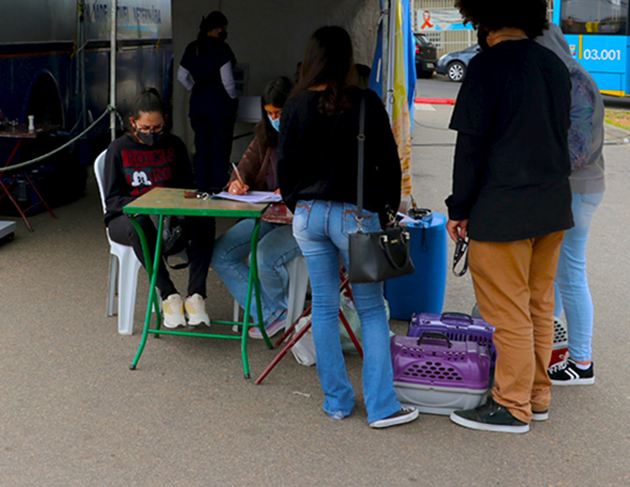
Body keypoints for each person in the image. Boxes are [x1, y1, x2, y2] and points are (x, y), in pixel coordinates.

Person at [445, 0, 573, 434]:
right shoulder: (553, 65)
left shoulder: (486, 67)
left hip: (503, 209)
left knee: (507, 312)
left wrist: (458, 208)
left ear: (483, 17)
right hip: (553, 206)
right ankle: (537, 395)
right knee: (538, 305)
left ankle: (512, 405)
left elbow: (471, 146)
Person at [277, 26, 418, 429]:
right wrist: (386, 212)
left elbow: (285, 167)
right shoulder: (365, 102)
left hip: (307, 216)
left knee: (324, 306)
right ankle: (381, 407)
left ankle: (336, 402)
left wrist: (299, 204)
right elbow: (389, 164)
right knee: (371, 310)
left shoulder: (294, 105)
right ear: (346, 59)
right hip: (354, 217)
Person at [101, 88, 216, 329]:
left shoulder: (174, 145)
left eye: (157, 128)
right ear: (133, 122)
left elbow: (187, 187)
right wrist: (148, 203)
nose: (151, 133)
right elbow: (113, 200)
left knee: (205, 219)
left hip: (170, 218)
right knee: (139, 222)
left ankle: (196, 296)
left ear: (165, 120)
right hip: (129, 219)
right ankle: (168, 294)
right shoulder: (118, 149)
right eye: (145, 128)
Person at [538, 24, 605, 386]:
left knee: (570, 275)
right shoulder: (574, 74)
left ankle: (581, 362)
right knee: (558, 274)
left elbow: (574, 152)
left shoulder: (572, 81)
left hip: (576, 189)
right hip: (581, 187)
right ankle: (549, 347)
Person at [211, 77, 301, 339]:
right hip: (268, 216)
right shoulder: (264, 134)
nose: (274, 119)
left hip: (301, 221)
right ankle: (273, 314)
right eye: (270, 113)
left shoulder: (308, 134)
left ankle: (276, 314)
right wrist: (236, 183)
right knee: (220, 253)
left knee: (264, 256)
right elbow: (245, 168)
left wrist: (292, 191)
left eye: (279, 113)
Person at [177, 11, 237, 193]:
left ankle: (202, 185)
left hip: (198, 105)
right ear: (218, 29)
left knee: (201, 146)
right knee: (220, 147)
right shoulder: (222, 49)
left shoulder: (192, 47)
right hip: (220, 106)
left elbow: (181, 76)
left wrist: (193, 88)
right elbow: (228, 81)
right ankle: (218, 185)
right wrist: (233, 98)